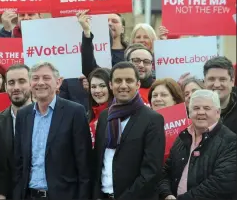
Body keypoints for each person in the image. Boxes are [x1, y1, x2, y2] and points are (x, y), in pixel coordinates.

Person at [14, 62, 92, 200]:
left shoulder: (75, 112)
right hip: (29, 195)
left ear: (58, 82)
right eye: (35, 78)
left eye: (46, 78)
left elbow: (84, 164)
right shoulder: (23, 115)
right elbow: (19, 162)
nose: (40, 83)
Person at [92, 62, 165, 200]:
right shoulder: (104, 116)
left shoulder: (152, 119)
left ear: (138, 84)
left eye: (129, 80)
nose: (123, 85)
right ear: (110, 85)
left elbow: (151, 172)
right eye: (118, 81)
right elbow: (98, 161)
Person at [158, 90, 237, 200]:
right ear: (189, 112)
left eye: (206, 108)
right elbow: (165, 172)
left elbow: (220, 184)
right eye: (196, 108)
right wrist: (166, 194)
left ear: (218, 112)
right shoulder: (182, 138)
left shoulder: (231, 142)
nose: (200, 112)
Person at [0, 64, 32, 199]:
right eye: (11, 83)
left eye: (22, 81)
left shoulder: (46, 118)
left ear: (31, 83)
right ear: (6, 86)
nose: (16, 87)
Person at [78, 10, 128, 76]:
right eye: (106, 21)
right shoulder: (93, 51)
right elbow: (89, 70)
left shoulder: (129, 53)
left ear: (122, 29)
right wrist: (86, 31)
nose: (109, 24)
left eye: (114, 21)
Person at [203, 56, 237, 133]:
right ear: (204, 81)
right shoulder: (194, 110)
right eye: (211, 79)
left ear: (232, 81)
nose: (217, 84)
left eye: (222, 79)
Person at [87, 68, 113, 147]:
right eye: (93, 87)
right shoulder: (89, 115)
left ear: (111, 86)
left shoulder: (118, 115)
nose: (97, 90)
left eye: (102, 86)